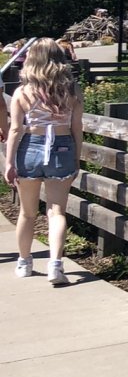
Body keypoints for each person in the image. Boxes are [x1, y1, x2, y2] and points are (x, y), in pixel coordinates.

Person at [5, 38, 83, 283]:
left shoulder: (22, 92)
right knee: (56, 212)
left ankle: (25, 263)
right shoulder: (72, 91)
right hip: (62, 149)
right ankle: (56, 265)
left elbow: (16, 130)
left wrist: (9, 162)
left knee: (27, 213)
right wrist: (76, 158)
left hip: (30, 148)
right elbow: (76, 127)